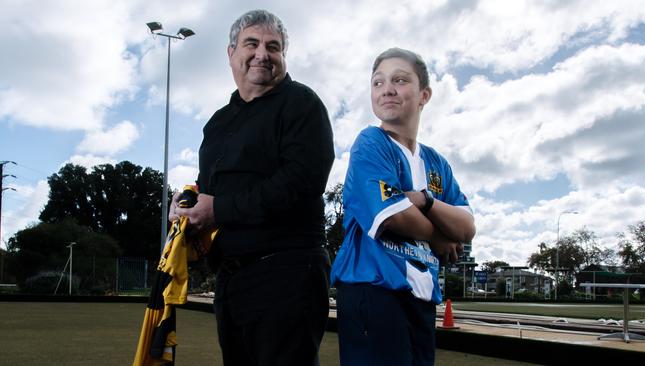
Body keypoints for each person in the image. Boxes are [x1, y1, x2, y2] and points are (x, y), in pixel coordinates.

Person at [171, 9, 335, 366]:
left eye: (273, 47)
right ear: (231, 53)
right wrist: (186, 203)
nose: (262, 53)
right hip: (231, 279)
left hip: (288, 273)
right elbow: (210, 187)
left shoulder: (302, 104)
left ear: (283, 57)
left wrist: (218, 209)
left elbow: (302, 182)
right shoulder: (218, 123)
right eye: (252, 43)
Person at [330, 48, 476, 366]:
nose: (388, 89)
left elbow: (466, 227)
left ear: (424, 95)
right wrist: (438, 237)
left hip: (421, 297)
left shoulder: (437, 163)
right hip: (373, 289)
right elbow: (394, 216)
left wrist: (425, 200)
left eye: (400, 80)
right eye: (378, 82)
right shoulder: (370, 143)